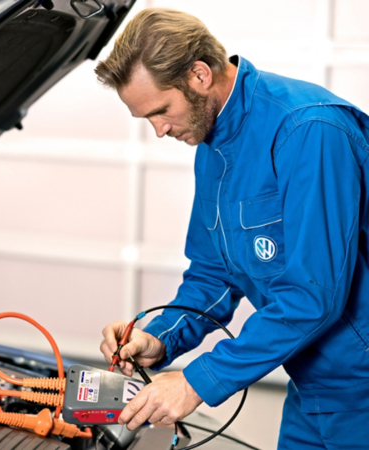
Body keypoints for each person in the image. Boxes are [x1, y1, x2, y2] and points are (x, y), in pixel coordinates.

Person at [95, 8, 369, 449]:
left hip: (362, 395)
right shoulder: (212, 140)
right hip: (311, 387)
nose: (159, 130)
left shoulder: (309, 129)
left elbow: (313, 295)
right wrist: (158, 339)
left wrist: (196, 383)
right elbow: (213, 274)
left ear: (199, 75)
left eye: (161, 111)